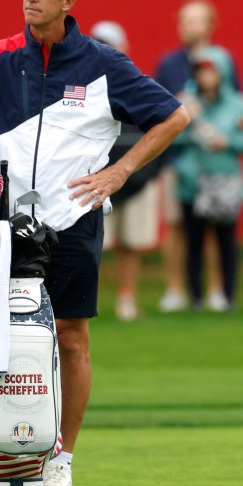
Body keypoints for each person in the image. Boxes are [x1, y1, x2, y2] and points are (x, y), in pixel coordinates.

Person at [0, 0, 189, 486]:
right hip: (1, 226)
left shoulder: (104, 64)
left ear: (68, 2)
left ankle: (60, 460)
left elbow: (175, 116)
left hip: (72, 222)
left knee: (70, 337)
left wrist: (120, 171)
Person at [153, 0, 240, 312]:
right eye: (184, 20)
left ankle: (218, 292)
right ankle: (175, 290)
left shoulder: (223, 60)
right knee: (176, 225)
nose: (189, 26)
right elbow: (155, 108)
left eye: (196, 20)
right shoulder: (169, 63)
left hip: (216, 162)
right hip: (178, 160)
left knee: (217, 227)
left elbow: (236, 103)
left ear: (210, 24)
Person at [174, 46, 243, 312]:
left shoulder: (238, 104)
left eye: (210, 69)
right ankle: (196, 299)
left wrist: (230, 141)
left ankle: (228, 297)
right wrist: (187, 122)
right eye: (200, 70)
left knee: (226, 241)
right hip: (193, 181)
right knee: (194, 241)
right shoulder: (187, 102)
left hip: (226, 181)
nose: (205, 76)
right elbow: (169, 138)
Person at [90, 20, 162, 321]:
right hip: (94, 180)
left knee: (131, 244)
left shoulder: (137, 83)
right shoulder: (83, 88)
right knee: (91, 245)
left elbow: (160, 126)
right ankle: (87, 301)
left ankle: (126, 300)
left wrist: (142, 173)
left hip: (135, 177)